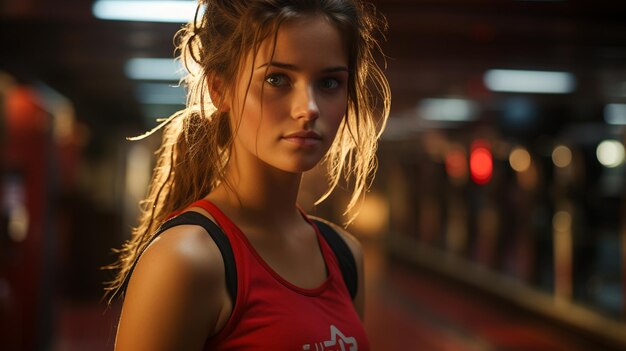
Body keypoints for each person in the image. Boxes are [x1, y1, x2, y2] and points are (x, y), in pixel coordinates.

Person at [104, 0, 390, 349]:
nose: (309, 108)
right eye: (277, 79)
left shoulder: (344, 256)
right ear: (220, 89)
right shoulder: (185, 260)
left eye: (329, 83)